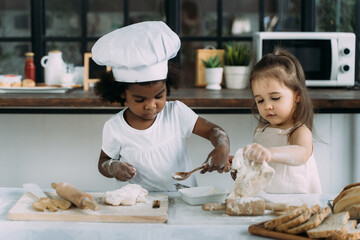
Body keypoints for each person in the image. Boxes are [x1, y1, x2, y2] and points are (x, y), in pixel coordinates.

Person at [91, 21, 230, 192]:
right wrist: (112, 167)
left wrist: (221, 147)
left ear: (167, 88)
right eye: (140, 99)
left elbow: (213, 131)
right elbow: (103, 162)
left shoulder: (176, 113)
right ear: (122, 94)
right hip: (139, 205)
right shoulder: (114, 127)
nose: (151, 105)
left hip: (182, 197)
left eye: (159, 96)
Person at [243, 48, 321, 194]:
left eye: (275, 98)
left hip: (299, 205)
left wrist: (269, 153)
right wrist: (241, 161)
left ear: (297, 96)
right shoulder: (261, 131)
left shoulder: (299, 131)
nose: (267, 106)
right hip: (269, 204)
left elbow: (301, 154)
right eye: (260, 100)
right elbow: (260, 163)